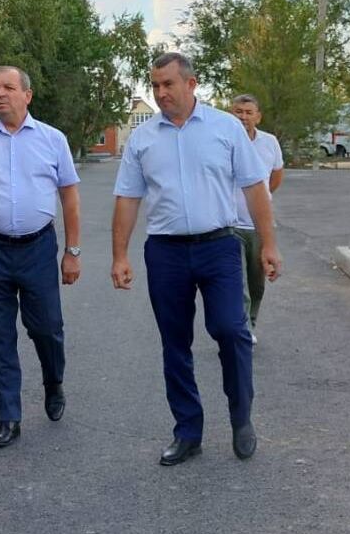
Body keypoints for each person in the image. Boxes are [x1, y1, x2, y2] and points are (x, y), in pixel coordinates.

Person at [111, 52, 282, 466]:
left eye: (168, 84)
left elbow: (256, 189)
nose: (160, 93)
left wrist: (269, 245)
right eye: (154, 85)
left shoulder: (226, 128)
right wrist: (120, 255)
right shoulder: (144, 138)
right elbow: (128, 198)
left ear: (191, 84)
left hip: (220, 245)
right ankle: (188, 431)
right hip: (166, 252)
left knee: (231, 330)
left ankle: (241, 417)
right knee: (175, 343)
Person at [0, 66, 82, 449]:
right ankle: (8, 415)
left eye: (8, 87)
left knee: (47, 328)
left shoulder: (52, 140)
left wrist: (72, 252)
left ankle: (53, 380)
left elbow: (70, 198)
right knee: (0, 334)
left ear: (28, 94)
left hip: (38, 249)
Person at [228, 94, 285, 345]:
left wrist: (263, 198)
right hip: (229, 224)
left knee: (255, 282)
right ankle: (242, 329)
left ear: (258, 116)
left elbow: (276, 176)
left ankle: (251, 321)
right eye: (238, 111)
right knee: (237, 283)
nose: (243, 117)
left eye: (248, 112)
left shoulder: (270, 143)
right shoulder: (223, 141)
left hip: (258, 226)